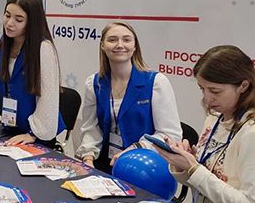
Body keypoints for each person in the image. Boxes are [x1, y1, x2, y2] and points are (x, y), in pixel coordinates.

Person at [154, 45, 255, 203]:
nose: (207, 98)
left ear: (243, 86)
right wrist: (184, 164)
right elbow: (203, 186)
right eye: (202, 89)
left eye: (215, 91)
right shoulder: (215, 118)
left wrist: (195, 169)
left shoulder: (254, 133)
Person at [76, 21, 182, 173]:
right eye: (112, 40)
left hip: (144, 166)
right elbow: (91, 128)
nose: (120, 45)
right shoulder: (94, 83)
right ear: (102, 45)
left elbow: (170, 134)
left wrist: (137, 148)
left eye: (126, 40)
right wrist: (87, 159)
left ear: (135, 46)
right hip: (106, 163)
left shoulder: (156, 82)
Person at [0, 0, 65, 147]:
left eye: (18, 19)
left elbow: (47, 98)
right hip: (13, 128)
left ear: (32, 22)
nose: (9, 23)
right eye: (7, 15)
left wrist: (33, 133)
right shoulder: (5, 43)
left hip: (36, 135)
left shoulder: (43, 48)